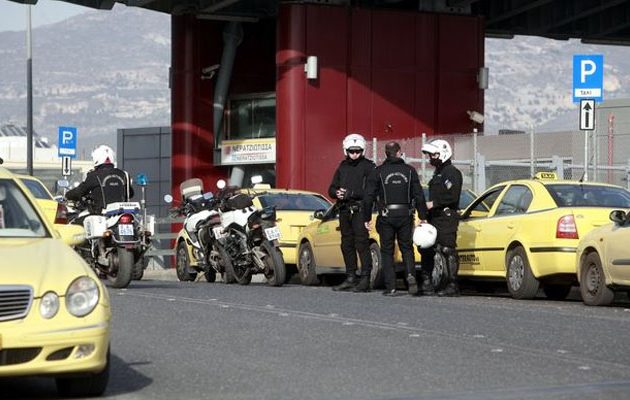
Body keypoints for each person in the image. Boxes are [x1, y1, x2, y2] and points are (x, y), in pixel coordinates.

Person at [363, 141, 428, 296]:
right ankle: (411, 274)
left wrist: (366, 218)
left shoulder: (378, 172)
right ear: (399, 152)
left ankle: (391, 286)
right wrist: (423, 216)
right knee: (407, 247)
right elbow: (419, 195)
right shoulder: (410, 171)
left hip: (386, 216)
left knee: (387, 250)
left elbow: (368, 197)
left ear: (386, 153)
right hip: (406, 214)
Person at [328, 133, 376, 292]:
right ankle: (350, 277)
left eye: (358, 151)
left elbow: (371, 192)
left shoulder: (369, 166)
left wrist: (352, 193)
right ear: (345, 150)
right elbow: (331, 188)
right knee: (346, 244)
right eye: (351, 151)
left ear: (363, 150)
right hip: (344, 211)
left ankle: (365, 279)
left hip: (360, 210)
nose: (354, 154)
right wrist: (337, 193)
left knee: (362, 244)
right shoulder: (342, 166)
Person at [419, 139, 463, 297]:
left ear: (443, 154)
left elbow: (452, 196)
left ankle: (452, 284)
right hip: (434, 217)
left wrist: (433, 204)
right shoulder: (437, 172)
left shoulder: (451, 172)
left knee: (447, 249)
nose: (431, 158)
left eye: (433, 155)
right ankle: (428, 283)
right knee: (428, 248)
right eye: (430, 155)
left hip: (446, 216)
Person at [66, 145, 134, 217]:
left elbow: (79, 191)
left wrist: (68, 195)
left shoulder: (93, 176)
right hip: (122, 214)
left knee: (80, 221)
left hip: (102, 215)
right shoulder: (123, 174)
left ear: (96, 158)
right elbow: (130, 193)